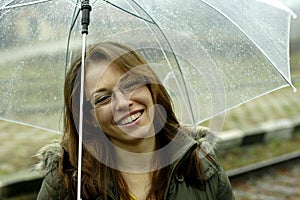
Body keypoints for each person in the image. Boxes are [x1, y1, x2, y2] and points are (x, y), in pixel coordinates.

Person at [35, 41, 235, 200]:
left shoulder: (202, 166)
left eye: (130, 84)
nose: (123, 103)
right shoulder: (67, 184)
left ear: (150, 87)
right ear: (88, 119)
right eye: (103, 98)